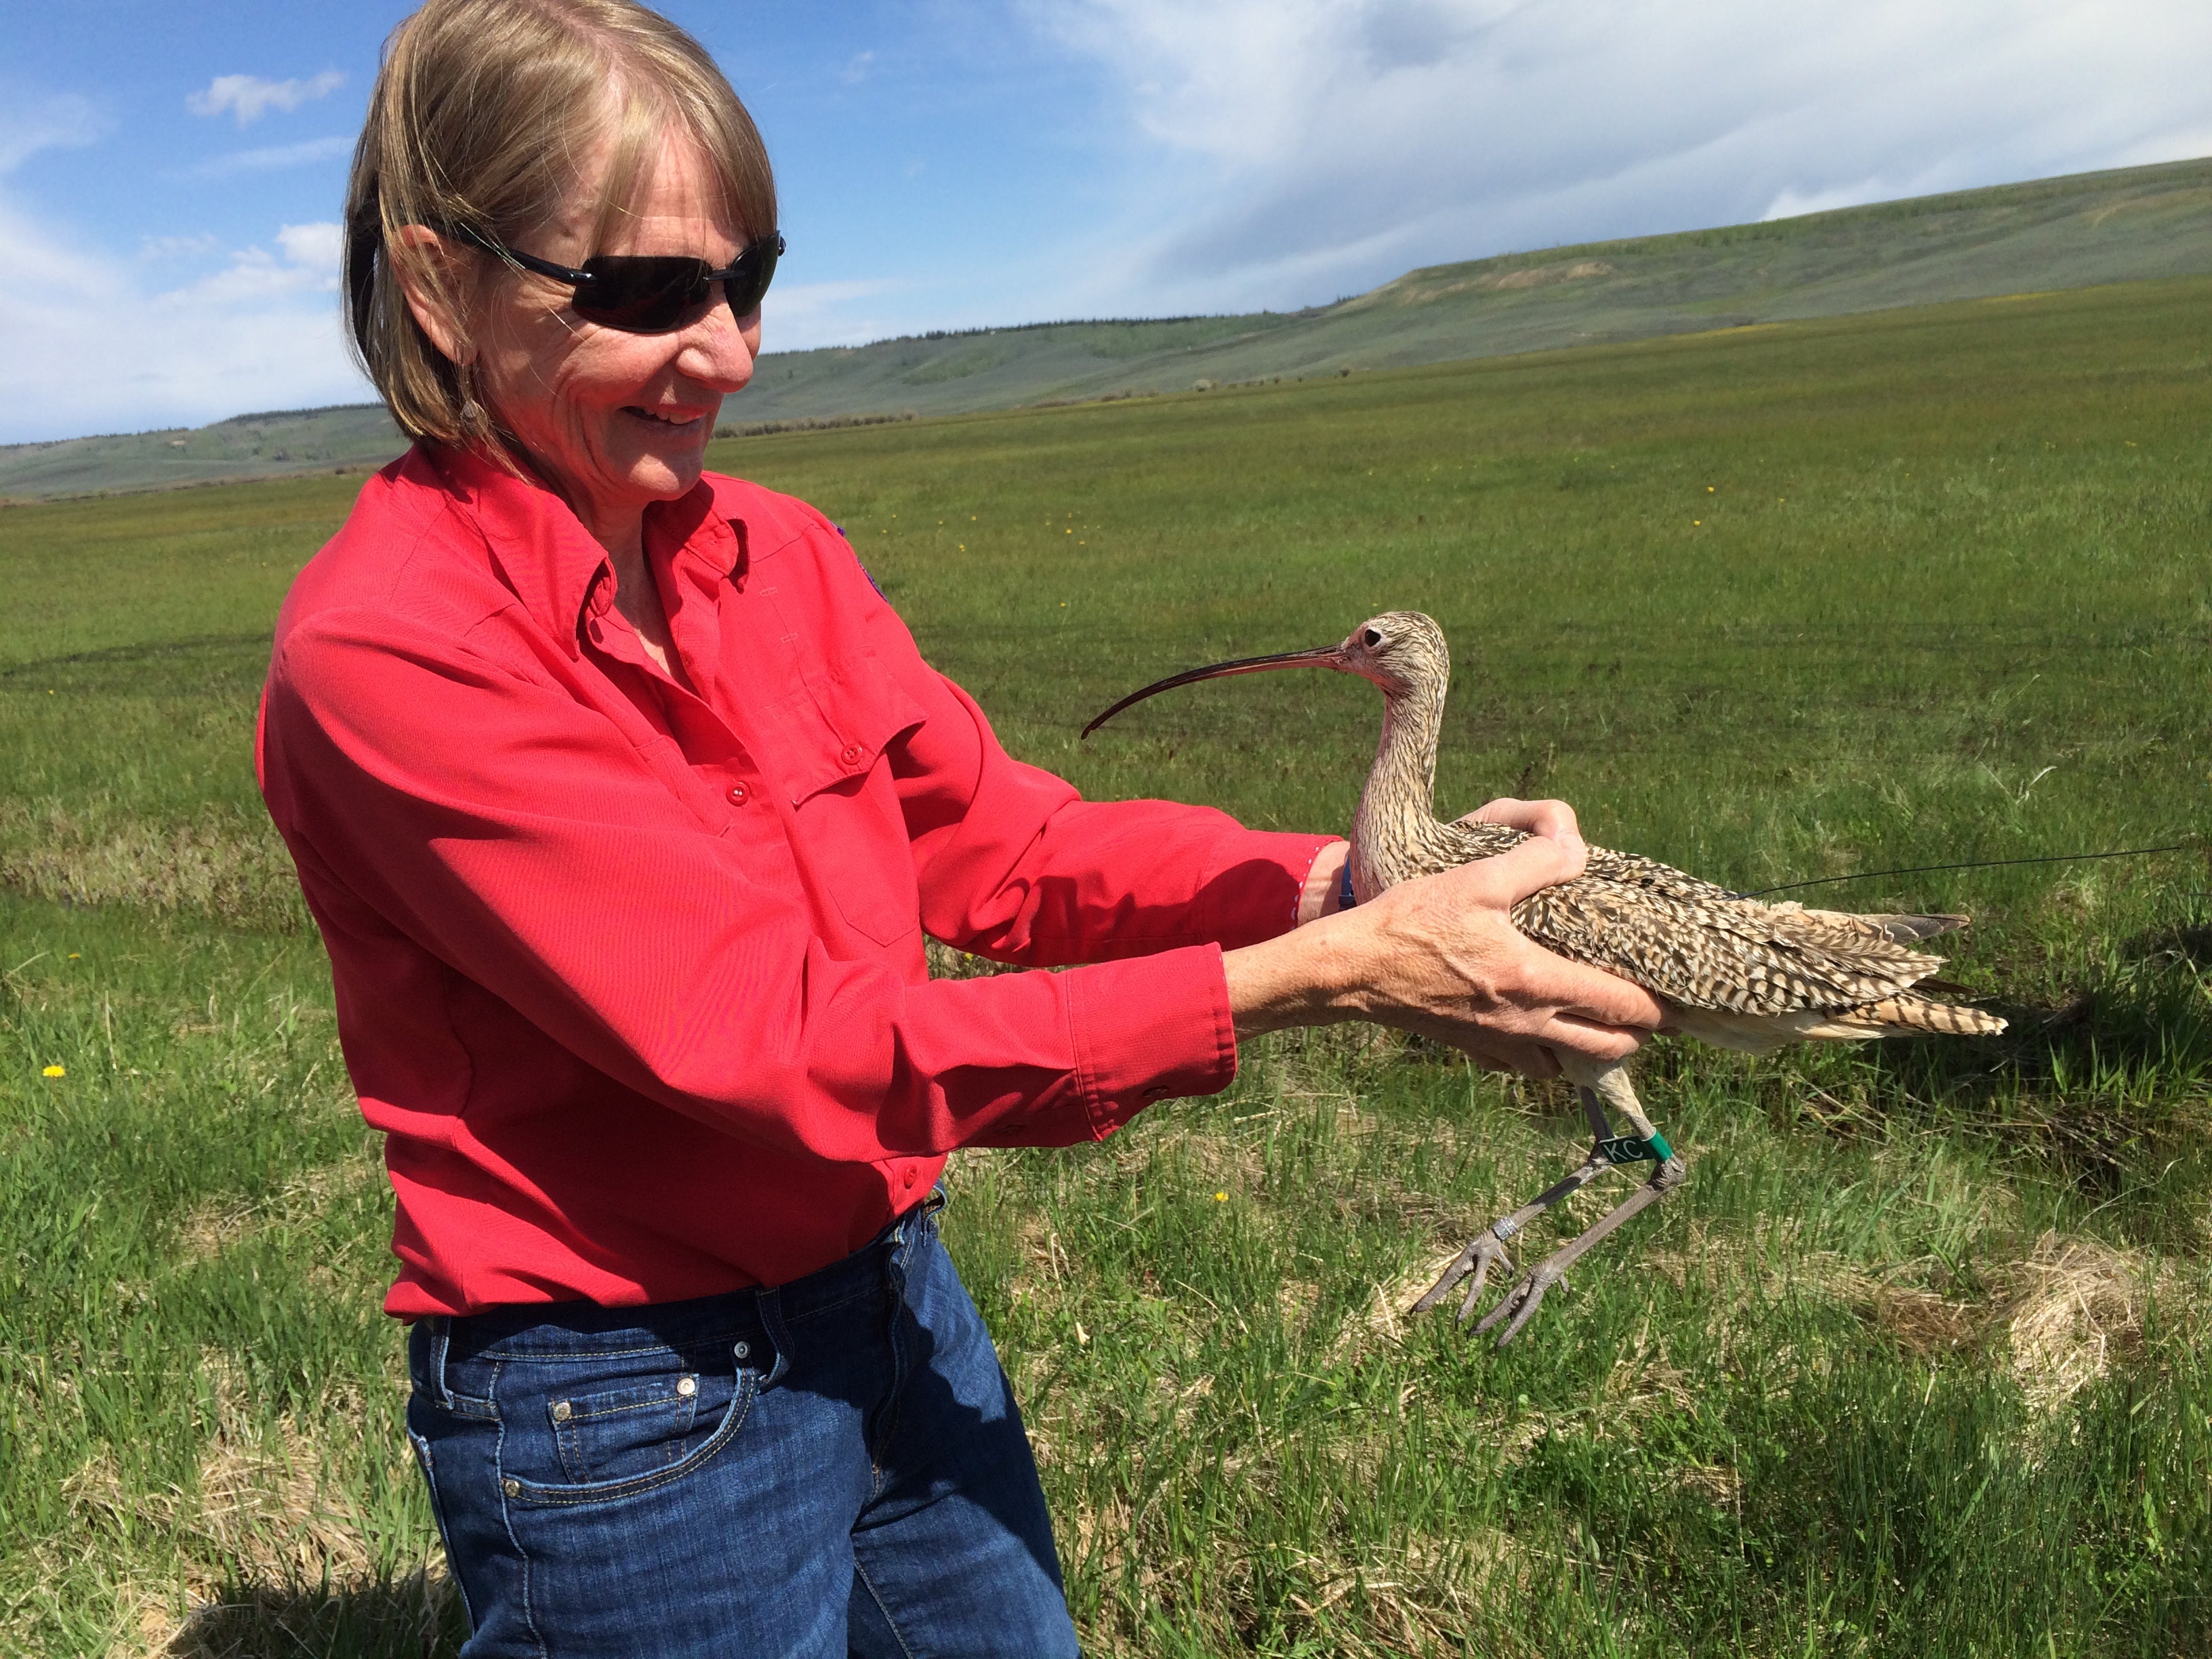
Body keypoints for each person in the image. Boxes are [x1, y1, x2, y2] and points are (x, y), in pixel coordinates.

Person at [255, 1, 1662, 1652]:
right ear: (439, 284)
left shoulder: (773, 553)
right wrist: (1321, 977)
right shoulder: (391, 651)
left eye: (749, 278)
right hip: (627, 1400)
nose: (730, 352)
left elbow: (1009, 848)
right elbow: (786, 1054)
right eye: (643, 292)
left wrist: (1344, 880)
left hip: (892, 1297)